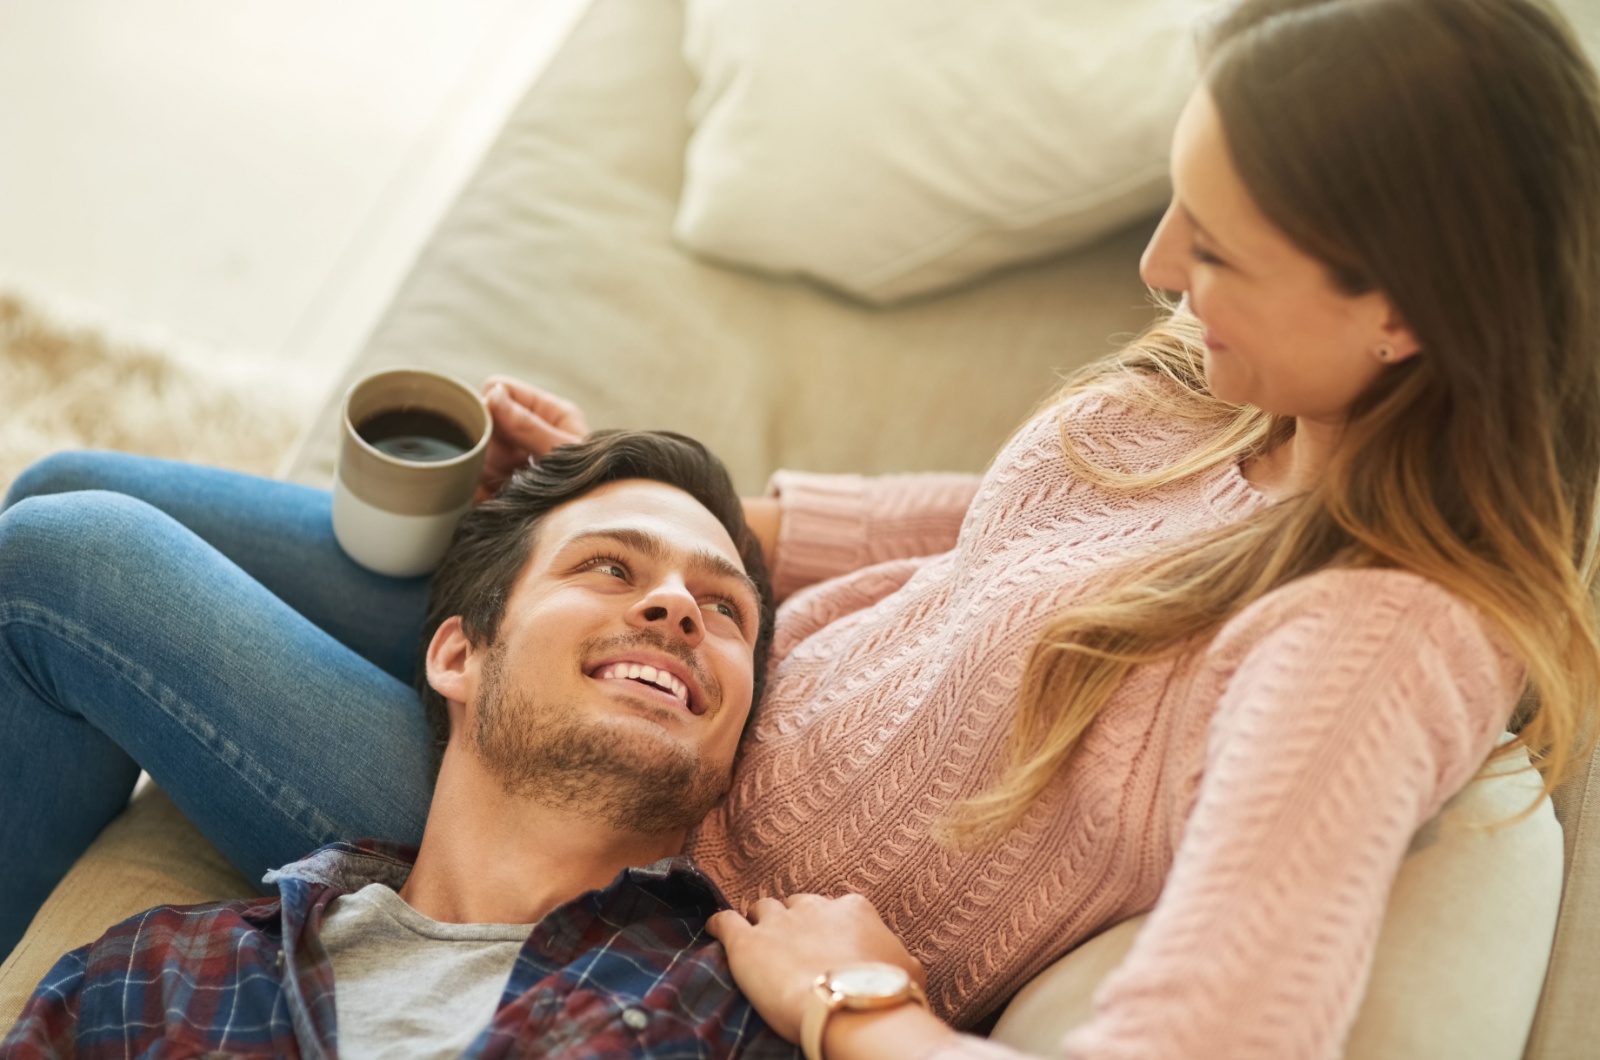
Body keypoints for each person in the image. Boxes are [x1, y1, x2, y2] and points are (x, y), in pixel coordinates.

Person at [2, 0, 1597, 1056]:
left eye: (1221, 247)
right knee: (69, 488)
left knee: (59, 576)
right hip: (702, 673)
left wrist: (862, 1005)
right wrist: (683, 521)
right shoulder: (1252, 392)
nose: (1161, 265)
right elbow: (1026, 528)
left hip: (642, 856)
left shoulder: (1375, 643)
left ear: (1399, 314)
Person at [2, 429, 801, 1059]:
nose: (678, 607)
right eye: (609, 567)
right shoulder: (157, 973)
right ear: (459, 656)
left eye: (724, 606)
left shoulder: (748, 1017)